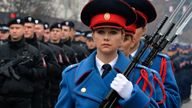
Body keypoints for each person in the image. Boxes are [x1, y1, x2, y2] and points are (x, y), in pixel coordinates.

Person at [55, 0, 163, 107]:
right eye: (100, 32)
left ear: (122, 36)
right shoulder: (72, 75)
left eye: (113, 32)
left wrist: (133, 95)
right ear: (93, 35)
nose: (106, 38)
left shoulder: (140, 74)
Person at [121, 0, 181, 107]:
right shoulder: (105, 57)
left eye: (136, 26)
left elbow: (173, 102)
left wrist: (149, 88)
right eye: (125, 24)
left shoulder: (159, 61)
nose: (129, 30)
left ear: (144, 29)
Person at [0, 17, 46, 108]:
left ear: (24, 29)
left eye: (17, 28)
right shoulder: (1, 49)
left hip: (24, 99)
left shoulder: (33, 51)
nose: (14, 31)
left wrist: (28, 71)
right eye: (12, 28)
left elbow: (42, 72)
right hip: (2, 98)